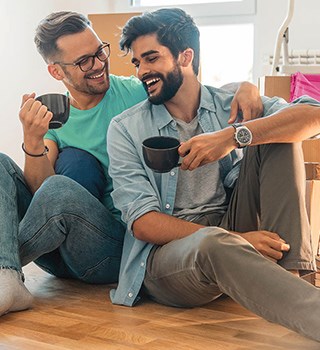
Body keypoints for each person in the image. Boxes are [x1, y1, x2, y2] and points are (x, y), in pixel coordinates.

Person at [0, 10, 261, 317]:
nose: (98, 65)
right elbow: (40, 195)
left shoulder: (137, 93)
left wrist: (245, 86)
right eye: (85, 61)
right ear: (57, 72)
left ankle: (6, 269)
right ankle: (7, 273)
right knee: (5, 164)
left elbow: (190, 89)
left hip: (112, 249)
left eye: (100, 51)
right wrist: (32, 142)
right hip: (56, 247)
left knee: (62, 187)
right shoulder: (57, 118)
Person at [107, 8, 320, 342]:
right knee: (211, 242)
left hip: (232, 223)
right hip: (169, 260)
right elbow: (143, 223)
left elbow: (313, 115)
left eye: (151, 58)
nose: (141, 72)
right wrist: (239, 241)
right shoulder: (125, 129)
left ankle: (292, 277)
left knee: (278, 135)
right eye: (137, 63)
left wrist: (235, 136)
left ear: (185, 56)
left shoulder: (230, 105)